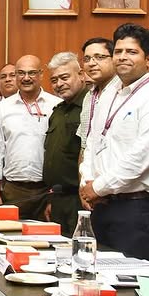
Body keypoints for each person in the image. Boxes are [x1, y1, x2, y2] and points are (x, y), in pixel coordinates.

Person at [79, 23, 149, 262]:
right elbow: (92, 141)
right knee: (96, 274)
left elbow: (142, 156)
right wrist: (87, 180)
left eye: (131, 52)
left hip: (136, 209)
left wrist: (98, 187)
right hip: (101, 205)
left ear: (148, 59)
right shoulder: (109, 94)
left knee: (132, 278)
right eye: (118, 51)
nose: (122, 57)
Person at [0, 55, 60, 218]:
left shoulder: (56, 105)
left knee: (46, 234)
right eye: (21, 73)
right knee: (10, 232)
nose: (26, 78)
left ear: (41, 74)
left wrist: (54, 196)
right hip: (13, 190)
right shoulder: (2, 108)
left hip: (46, 190)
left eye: (32, 73)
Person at [43, 52, 86, 236]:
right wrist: (51, 199)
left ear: (81, 75)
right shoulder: (58, 112)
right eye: (54, 80)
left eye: (64, 77)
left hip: (80, 199)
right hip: (58, 198)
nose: (59, 84)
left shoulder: (90, 107)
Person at [76, 37, 119, 156]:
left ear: (114, 59)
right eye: (87, 59)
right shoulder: (89, 96)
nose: (91, 63)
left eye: (99, 57)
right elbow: (84, 143)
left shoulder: (123, 92)